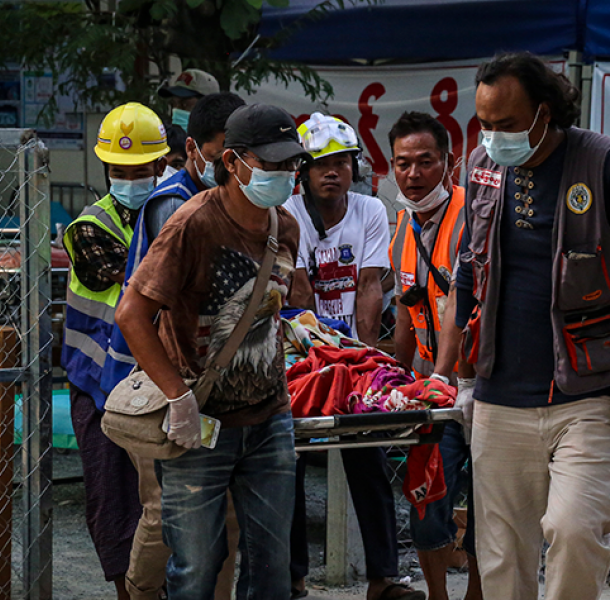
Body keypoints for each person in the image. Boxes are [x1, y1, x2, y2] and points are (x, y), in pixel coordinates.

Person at [444, 52, 610, 600]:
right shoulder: (483, 166)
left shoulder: (603, 161)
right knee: (501, 551)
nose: (493, 137)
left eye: (506, 124)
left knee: (575, 530)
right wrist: (458, 378)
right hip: (498, 398)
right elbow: (468, 274)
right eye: (484, 123)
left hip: (586, 394)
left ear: (544, 113)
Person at [115, 103, 306, 600]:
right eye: (272, 163)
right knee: (196, 570)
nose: (285, 174)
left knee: (273, 570)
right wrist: (177, 397)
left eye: (291, 163)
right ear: (234, 162)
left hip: (270, 418)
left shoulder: (286, 227)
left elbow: (279, 307)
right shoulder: (192, 224)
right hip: (200, 425)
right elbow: (131, 314)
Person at [101, 92, 246, 600]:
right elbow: (172, 305)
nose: (233, 167)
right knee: (165, 508)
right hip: (159, 380)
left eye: (240, 156)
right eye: (223, 155)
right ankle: (140, 594)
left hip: (208, 379)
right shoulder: (175, 205)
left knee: (223, 510)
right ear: (193, 150)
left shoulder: (230, 201)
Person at [286, 113, 422, 600]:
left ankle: (382, 579)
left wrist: (360, 361)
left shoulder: (369, 211)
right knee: (289, 460)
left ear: (354, 168)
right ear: (303, 171)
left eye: (341, 162)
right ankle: (293, 576)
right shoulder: (287, 212)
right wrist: (324, 356)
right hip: (300, 351)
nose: (332, 172)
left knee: (369, 453)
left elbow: (369, 287)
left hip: (352, 353)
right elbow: (299, 291)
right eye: (321, 163)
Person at [62, 102, 169, 600]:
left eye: (140, 170)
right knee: (113, 501)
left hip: (158, 381)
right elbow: (144, 281)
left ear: (160, 165)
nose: (129, 180)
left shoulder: (170, 212)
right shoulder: (90, 226)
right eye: (120, 172)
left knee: (163, 500)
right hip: (99, 384)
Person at [387, 112, 481, 600]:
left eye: (426, 161)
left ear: (449, 162)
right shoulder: (403, 226)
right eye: (403, 163)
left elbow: (461, 306)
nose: (413, 174)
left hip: (482, 383)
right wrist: (394, 381)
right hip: (433, 387)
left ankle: (477, 594)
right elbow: (406, 310)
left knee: (489, 502)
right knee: (425, 501)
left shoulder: (473, 217)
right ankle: (438, 595)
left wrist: (446, 377)